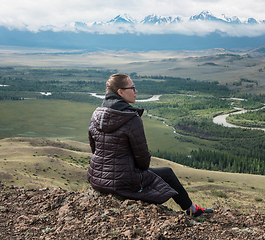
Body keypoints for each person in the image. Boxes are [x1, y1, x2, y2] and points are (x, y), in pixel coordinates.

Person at [87, 73, 213, 217]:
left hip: (96, 179)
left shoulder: (97, 114)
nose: (136, 91)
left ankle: (192, 209)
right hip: (122, 182)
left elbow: (94, 149)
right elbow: (143, 160)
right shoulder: (131, 118)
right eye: (132, 88)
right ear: (120, 92)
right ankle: (193, 210)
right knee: (167, 173)